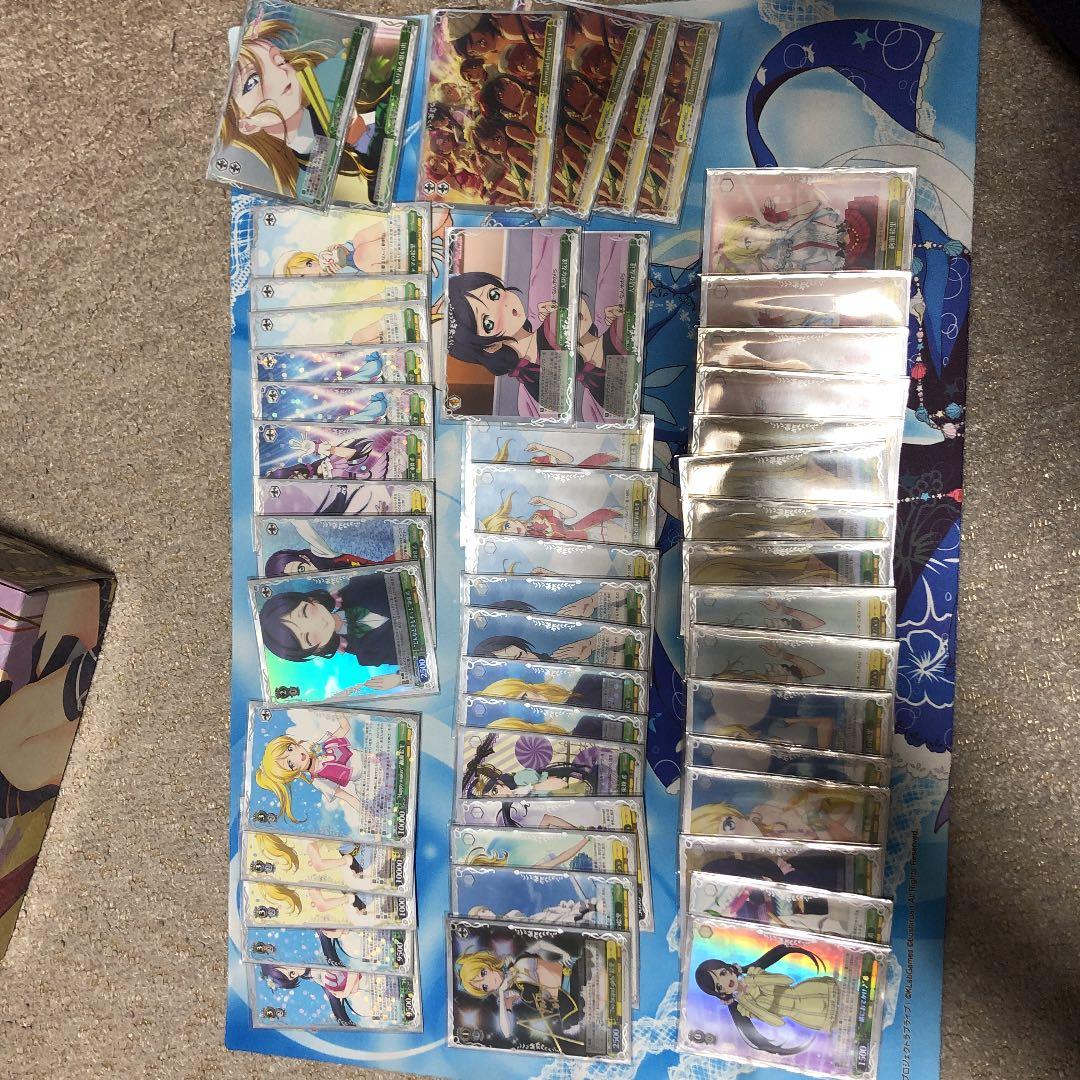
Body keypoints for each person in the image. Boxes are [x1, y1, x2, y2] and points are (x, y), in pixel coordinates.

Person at [694, 946, 839, 1056]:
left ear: (730, 969)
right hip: (807, 1015)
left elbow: (787, 980)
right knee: (842, 1022)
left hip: (809, 991)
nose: (726, 981)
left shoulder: (754, 974)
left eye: (723, 973)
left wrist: (754, 980)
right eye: (719, 986)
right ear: (721, 993)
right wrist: (746, 1003)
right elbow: (777, 1022)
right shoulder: (744, 1008)